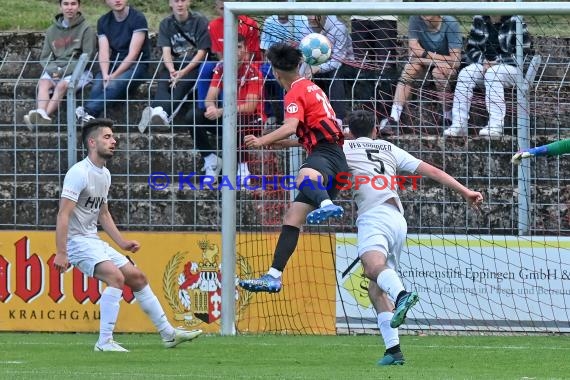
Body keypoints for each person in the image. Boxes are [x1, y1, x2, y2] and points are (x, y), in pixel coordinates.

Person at [343, 110, 483, 365]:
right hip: (397, 218)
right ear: (375, 131)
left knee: (372, 267)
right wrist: (466, 192)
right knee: (376, 289)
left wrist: (267, 140)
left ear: (349, 131)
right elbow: (432, 171)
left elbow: (306, 142)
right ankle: (393, 351)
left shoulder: (342, 146)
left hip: (373, 215)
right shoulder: (387, 146)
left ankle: (402, 296)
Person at [53, 118, 202, 351]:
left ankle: (168, 334)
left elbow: (103, 213)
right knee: (116, 279)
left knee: (138, 278)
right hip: (76, 243)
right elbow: (63, 214)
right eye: (107, 137)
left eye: (113, 137)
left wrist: (122, 242)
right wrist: (61, 252)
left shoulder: (104, 174)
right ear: (92, 142)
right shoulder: (79, 173)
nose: (114, 141)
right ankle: (104, 342)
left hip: (93, 240)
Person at [238, 42, 348, 293]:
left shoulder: (294, 93)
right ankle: (273, 275)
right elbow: (303, 134)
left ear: (275, 73)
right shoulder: (311, 87)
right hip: (332, 158)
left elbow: (289, 126)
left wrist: (261, 140)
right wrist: (277, 144)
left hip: (325, 156)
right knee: (292, 217)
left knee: (304, 176)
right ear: (298, 64)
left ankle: (327, 204)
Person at [186, 35, 265, 182]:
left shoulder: (254, 73)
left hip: (252, 120)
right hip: (228, 117)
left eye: (239, 47)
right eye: (232, 47)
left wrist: (221, 111)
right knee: (193, 116)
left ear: (246, 50)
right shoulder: (221, 70)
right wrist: (211, 108)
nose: (235, 51)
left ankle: (243, 167)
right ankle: (211, 160)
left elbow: (249, 107)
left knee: (238, 118)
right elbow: (209, 99)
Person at [443, 14, 531, 138]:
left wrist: (497, 62)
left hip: (511, 67)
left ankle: (496, 125)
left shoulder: (516, 21)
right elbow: (471, 49)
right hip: (484, 64)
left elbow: (524, 53)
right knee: (465, 74)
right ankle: (459, 124)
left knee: (493, 73)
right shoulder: (479, 19)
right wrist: (484, 61)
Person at [137, 0, 210, 133]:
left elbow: (202, 52)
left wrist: (183, 72)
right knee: (163, 84)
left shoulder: (200, 21)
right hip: (175, 63)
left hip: (194, 65)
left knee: (180, 87)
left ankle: (162, 112)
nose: (180, 4)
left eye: (183, 0)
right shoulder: (166, 23)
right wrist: (171, 70)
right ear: (170, 3)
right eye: (176, 1)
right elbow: (166, 51)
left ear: (189, 2)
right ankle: (157, 112)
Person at [382, 14, 462, 135]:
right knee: (410, 68)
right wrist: (435, 60)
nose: (424, 12)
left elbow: (455, 61)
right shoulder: (415, 19)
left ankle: (448, 117)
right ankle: (394, 119)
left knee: (438, 73)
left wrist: (425, 55)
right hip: (426, 64)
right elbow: (413, 54)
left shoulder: (451, 23)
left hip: (447, 67)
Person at [75, 0, 151, 122]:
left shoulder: (138, 18)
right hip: (114, 63)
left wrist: (113, 76)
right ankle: (90, 119)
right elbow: (104, 52)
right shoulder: (103, 21)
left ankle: (88, 111)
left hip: (137, 64)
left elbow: (133, 54)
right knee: (97, 85)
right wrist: (105, 75)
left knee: (115, 84)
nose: (117, 0)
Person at [24, 0, 96, 128]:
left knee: (62, 85)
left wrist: (63, 72)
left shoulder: (86, 29)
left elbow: (87, 56)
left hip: (78, 71)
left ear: (79, 6)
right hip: (56, 69)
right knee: (43, 83)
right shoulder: (52, 30)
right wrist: (54, 71)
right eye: (66, 4)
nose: (69, 7)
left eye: (73, 4)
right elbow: (45, 57)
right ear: (60, 6)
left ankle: (42, 117)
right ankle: (41, 112)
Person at [349, 0, 401, 122]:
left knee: (386, 69)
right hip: (358, 13)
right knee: (362, 70)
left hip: (386, 12)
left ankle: (386, 118)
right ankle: (366, 118)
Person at [260, 13, 311, 126]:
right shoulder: (269, 21)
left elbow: (306, 48)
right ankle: (271, 115)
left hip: (296, 61)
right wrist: (277, 54)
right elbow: (265, 49)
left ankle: (289, 115)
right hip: (275, 61)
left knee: (286, 79)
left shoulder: (302, 19)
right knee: (259, 74)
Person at [302, 15, 355, 125]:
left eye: (314, 14)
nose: (311, 18)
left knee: (335, 73)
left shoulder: (339, 28)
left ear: (324, 14)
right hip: (318, 64)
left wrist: (318, 68)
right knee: (302, 78)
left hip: (345, 65)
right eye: (308, 14)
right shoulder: (306, 28)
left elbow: (338, 61)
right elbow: (306, 57)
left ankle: (339, 119)